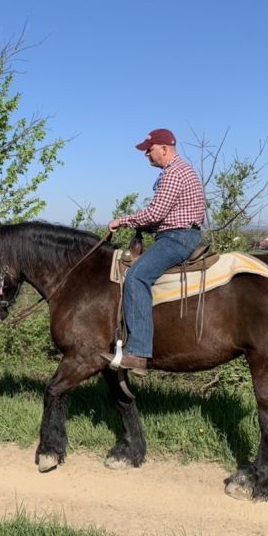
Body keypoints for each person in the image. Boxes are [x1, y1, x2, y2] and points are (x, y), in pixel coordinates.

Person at [101, 128, 206, 374]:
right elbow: (160, 217)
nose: (146, 154)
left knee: (136, 277)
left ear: (164, 149)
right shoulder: (178, 171)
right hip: (177, 233)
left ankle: (137, 352)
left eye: (149, 149)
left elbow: (155, 214)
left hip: (178, 238)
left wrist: (122, 220)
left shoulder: (173, 173)